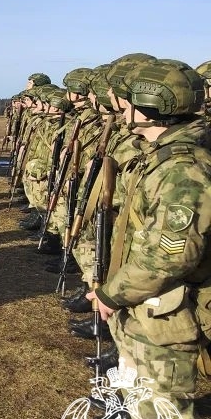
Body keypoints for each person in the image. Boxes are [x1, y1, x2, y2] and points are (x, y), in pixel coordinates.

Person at [87, 60, 211, 418]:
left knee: (161, 406)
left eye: (127, 101)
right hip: (148, 305)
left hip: (168, 314)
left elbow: (169, 256)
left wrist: (113, 293)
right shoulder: (161, 158)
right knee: (140, 396)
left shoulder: (182, 171)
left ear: (149, 109)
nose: (120, 107)